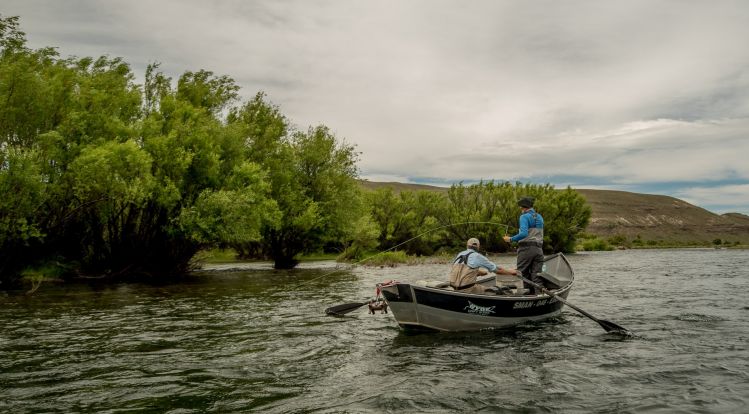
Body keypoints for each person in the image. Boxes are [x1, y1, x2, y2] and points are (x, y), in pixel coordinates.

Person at [503, 197, 545, 294]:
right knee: (537, 276)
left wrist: (510, 239)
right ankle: (539, 296)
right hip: (539, 250)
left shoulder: (524, 217)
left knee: (522, 274)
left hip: (526, 249)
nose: (520, 209)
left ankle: (525, 297)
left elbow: (524, 234)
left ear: (523, 207)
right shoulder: (539, 217)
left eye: (520, 207)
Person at [449, 238, 517, 291]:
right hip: (467, 290)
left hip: (453, 288)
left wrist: (482, 273)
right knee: (494, 290)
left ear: (467, 246)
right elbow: (498, 270)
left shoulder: (460, 254)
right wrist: (512, 272)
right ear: (478, 247)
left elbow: (463, 270)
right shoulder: (478, 256)